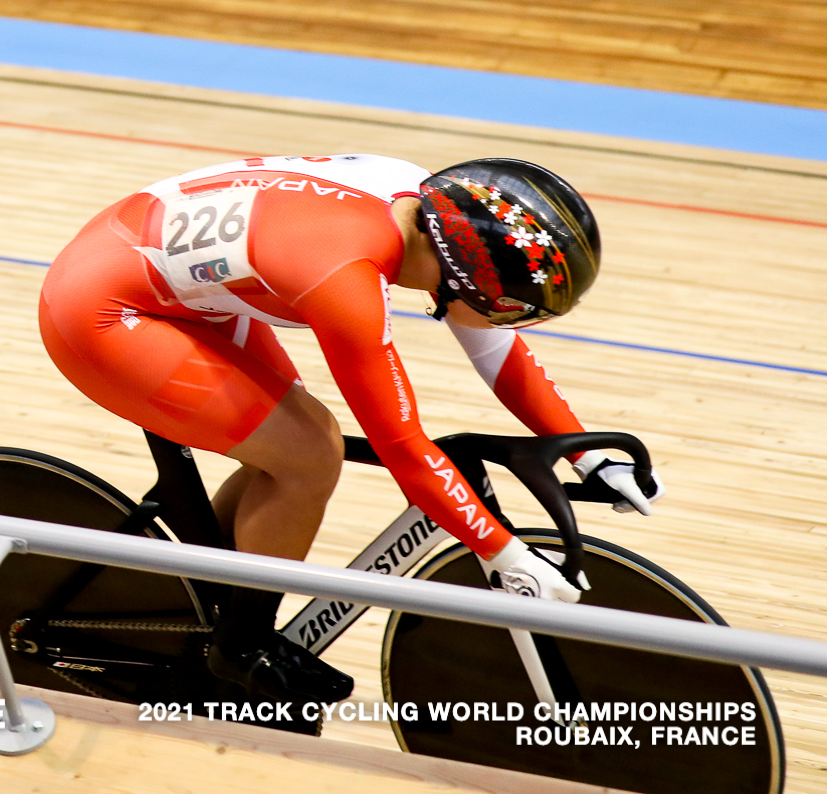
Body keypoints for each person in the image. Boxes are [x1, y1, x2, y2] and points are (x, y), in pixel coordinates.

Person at [38, 154, 664, 703]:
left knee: (286, 449)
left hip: (185, 284)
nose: (509, 321)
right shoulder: (344, 277)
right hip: (103, 308)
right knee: (309, 452)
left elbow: (494, 352)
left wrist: (588, 458)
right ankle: (242, 644)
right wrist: (500, 554)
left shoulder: (427, 204)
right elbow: (403, 446)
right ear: (465, 277)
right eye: (509, 305)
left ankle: (208, 607)